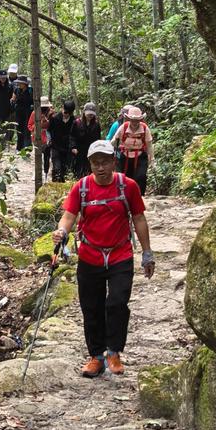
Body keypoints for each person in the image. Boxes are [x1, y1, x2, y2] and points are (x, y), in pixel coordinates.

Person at [53, 139, 155, 377]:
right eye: (96, 162)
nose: (100, 167)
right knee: (92, 307)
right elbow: (69, 215)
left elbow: (139, 218)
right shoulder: (82, 187)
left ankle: (114, 352)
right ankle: (96, 356)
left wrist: (147, 252)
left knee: (117, 303)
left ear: (113, 162)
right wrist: (62, 232)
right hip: (90, 255)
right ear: (90, 164)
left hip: (120, 253)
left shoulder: (127, 187)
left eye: (105, 162)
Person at [112, 105, 154, 194]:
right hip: (124, 155)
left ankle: (140, 196)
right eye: (132, 120)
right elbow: (114, 140)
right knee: (124, 178)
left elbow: (149, 145)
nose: (134, 122)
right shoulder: (123, 127)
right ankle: (124, 196)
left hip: (140, 156)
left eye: (137, 120)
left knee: (141, 176)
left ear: (140, 120)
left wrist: (152, 158)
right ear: (129, 119)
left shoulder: (145, 129)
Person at [70, 102, 101, 178]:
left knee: (90, 170)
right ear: (84, 112)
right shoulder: (77, 123)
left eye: (92, 114)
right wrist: (73, 147)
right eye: (88, 114)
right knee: (79, 171)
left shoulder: (96, 125)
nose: (90, 116)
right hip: (79, 151)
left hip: (91, 151)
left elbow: (98, 138)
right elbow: (72, 136)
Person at [48, 99, 75, 181]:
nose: (65, 114)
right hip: (56, 147)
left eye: (68, 113)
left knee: (65, 170)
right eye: (64, 111)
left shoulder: (74, 121)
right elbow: (49, 130)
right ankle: (55, 183)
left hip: (67, 149)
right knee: (57, 169)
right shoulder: (55, 118)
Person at [28, 97, 52, 178]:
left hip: (48, 138)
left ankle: (45, 173)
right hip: (37, 137)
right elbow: (29, 126)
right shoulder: (34, 113)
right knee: (37, 156)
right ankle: (37, 172)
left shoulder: (51, 113)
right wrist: (38, 124)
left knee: (46, 156)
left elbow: (54, 125)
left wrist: (47, 122)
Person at [12, 75, 33, 151]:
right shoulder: (17, 90)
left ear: (25, 84)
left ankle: (27, 148)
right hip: (18, 113)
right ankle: (19, 148)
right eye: (19, 83)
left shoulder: (31, 90)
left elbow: (34, 101)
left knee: (27, 130)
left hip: (28, 113)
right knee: (19, 130)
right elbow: (13, 99)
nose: (19, 84)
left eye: (21, 83)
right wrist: (12, 101)